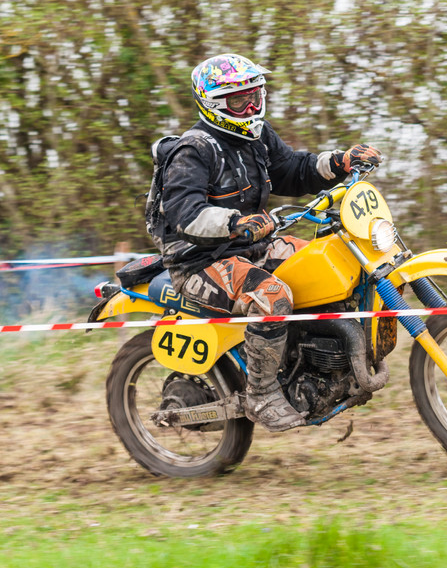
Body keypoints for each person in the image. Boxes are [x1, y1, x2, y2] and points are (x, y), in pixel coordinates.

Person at [154, 53, 382, 431]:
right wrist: (235, 223)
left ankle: (323, 364)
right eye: (239, 100)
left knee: (330, 261)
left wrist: (340, 161)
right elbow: (185, 214)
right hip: (199, 260)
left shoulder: (256, 137)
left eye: (255, 96)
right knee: (272, 296)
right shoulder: (193, 150)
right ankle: (262, 394)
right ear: (212, 103)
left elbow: (293, 169)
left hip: (252, 245)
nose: (251, 107)